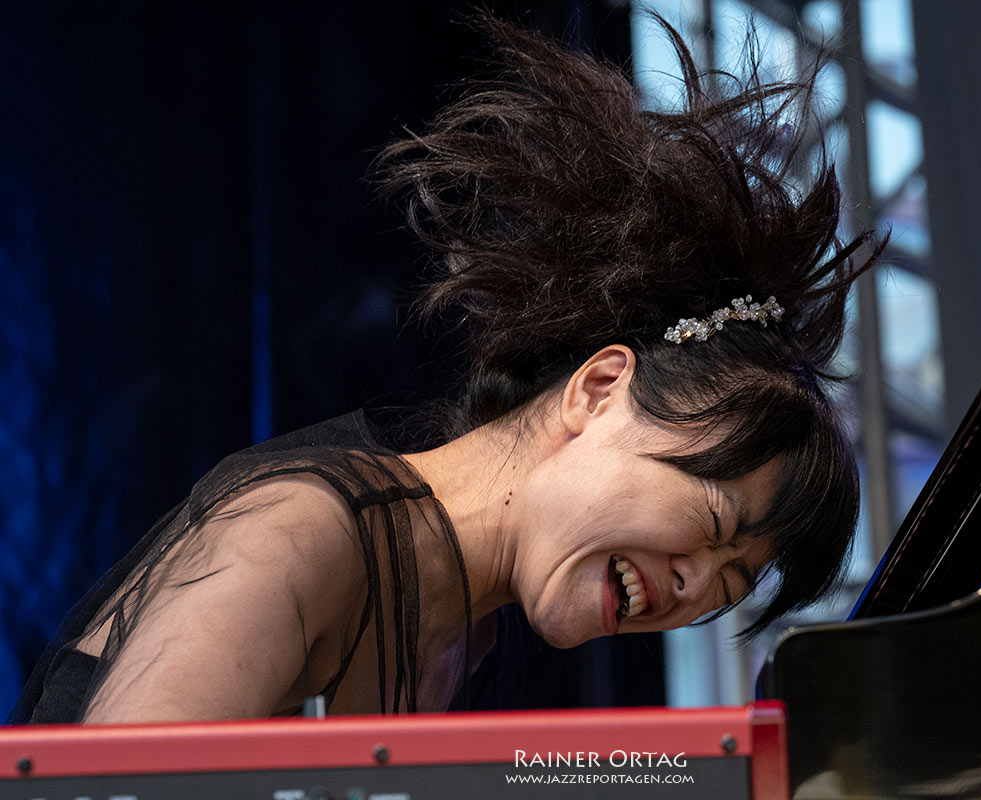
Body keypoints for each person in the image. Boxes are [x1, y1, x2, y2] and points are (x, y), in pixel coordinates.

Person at [8, 13, 882, 724]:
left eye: (728, 585)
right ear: (598, 390)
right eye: (714, 523)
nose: (691, 591)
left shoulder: (467, 635)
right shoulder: (302, 536)